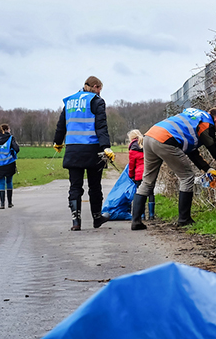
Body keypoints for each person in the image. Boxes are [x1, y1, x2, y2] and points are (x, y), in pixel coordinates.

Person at [131, 107, 216, 230]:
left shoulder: (196, 117)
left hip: (149, 136)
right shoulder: (207, 124)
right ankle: (184, 219)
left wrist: (207, 169)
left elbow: (191, 151)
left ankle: (136, 221)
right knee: (187, 177)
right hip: (165, 140)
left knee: (147, 181)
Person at [53, 76, 115, 231]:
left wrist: (58, 142)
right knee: (94, 186)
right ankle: (96, 218)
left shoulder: (69, 101)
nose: (100, 92)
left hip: (73, 149)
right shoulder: (96, 101)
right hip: (92, 149)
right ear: (95, 86)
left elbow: (61, 125)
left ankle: (76, 221)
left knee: (75, 186)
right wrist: (106, 147)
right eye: (100, 89)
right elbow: (101, 126)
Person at [127, 129, 155, 219]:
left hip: (139, 175)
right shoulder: (147, 146)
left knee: (140, 193)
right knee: (150, 193)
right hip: (149, 172)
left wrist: (131, 175)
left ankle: (142, 215)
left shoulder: (133, 150)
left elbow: (132, 165)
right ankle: (151, 215)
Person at [0, 123, 19, 209]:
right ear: (7, 130)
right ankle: (10, 203)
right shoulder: (10, 138)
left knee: (1, 183)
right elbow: (17, 149)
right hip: (9, 163)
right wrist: (12, 153)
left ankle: (2, 204)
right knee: (9, 182)